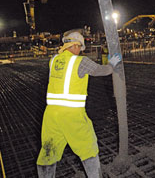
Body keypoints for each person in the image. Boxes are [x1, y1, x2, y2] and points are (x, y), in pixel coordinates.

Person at [36, 31, 121, 178]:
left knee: (49, 150)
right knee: (88, 147)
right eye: (80, 47)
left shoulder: (54, 60)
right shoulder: (80, 61)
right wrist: (112, 64)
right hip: (72, 115)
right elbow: (101, 70)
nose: (80, 51)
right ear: (75, 45)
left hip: (51, 115)